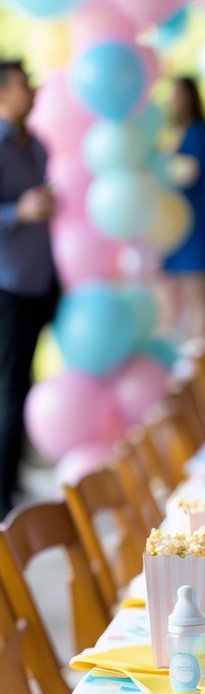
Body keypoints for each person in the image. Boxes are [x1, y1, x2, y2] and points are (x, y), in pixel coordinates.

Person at [0, 61, 57, 518]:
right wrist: (18, 211)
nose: (32, 90)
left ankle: (15, 478)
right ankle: (4, 495)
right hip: (9, 284)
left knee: (25, 382)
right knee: (10, 387)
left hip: (42, 279)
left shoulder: (36, 144)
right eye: (24, 83)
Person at [162, 76, 205, 338]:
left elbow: (197, 171)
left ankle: (199, 359)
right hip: (174, 226)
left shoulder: (198, 131)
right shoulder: (170, 134)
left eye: (179, 93)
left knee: (199, 297)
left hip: (195, 222)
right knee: (172, 298)